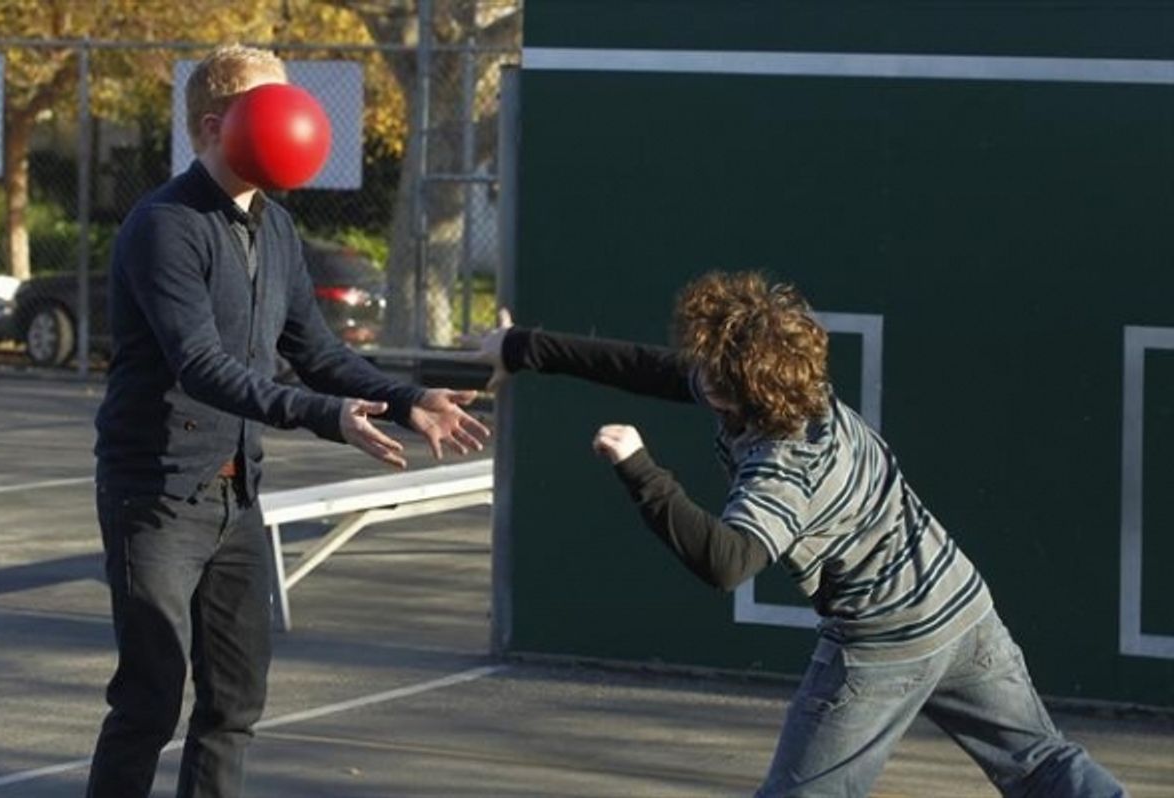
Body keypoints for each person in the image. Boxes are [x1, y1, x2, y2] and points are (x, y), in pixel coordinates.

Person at [480, 272, 1125, 797]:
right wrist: (523, 347)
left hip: (883, 642)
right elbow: (654, 369)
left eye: (708, 367)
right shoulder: (795, 386)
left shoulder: (783, 466)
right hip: (961, 607)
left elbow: (727, 562)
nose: (695, 370)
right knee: (1040, 762)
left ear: (737, 389)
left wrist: (639, 468)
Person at [88, 44, 489, 798]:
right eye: (272, 107)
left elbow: (316, 349)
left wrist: (407, 402)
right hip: (158, 494)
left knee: (234, 702)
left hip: (238, 497)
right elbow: (200, 365)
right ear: (215, 124)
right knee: (149, 699)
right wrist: (326, 417)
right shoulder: (164, 226)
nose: (297, 120)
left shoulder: (273, 227)